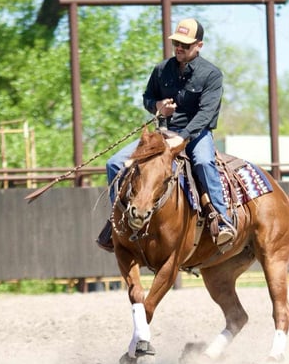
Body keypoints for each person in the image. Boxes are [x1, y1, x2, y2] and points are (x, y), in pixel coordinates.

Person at [97, 17, 236, 252]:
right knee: (114, 163)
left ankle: (221, 219)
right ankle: (117, 220)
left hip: (195, 135)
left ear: (199, 46)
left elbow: (206, 112)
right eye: (176, 43)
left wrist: (183, 137)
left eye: (185, 44)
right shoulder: (162, 70)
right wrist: (158, 106)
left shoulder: (211, 74)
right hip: (162, 134)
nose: (179, 48)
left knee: (203, 161)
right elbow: (147, 98)